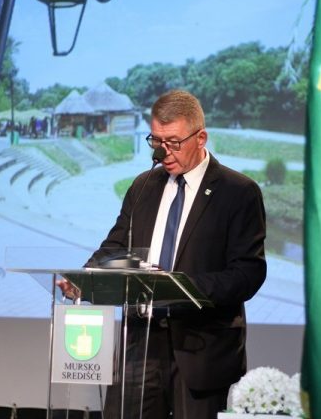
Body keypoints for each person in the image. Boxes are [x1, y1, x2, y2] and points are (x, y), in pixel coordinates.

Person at [74, 90, 267, 419]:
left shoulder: (238, 192)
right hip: (140, 347)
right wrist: (85, 278)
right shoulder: (143, 186)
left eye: (174, 142)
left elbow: (247, 274)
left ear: (201, 138)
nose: (162, 151)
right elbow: (116, 248)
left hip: (201, 349)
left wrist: (180, 288)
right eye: (156, 141)